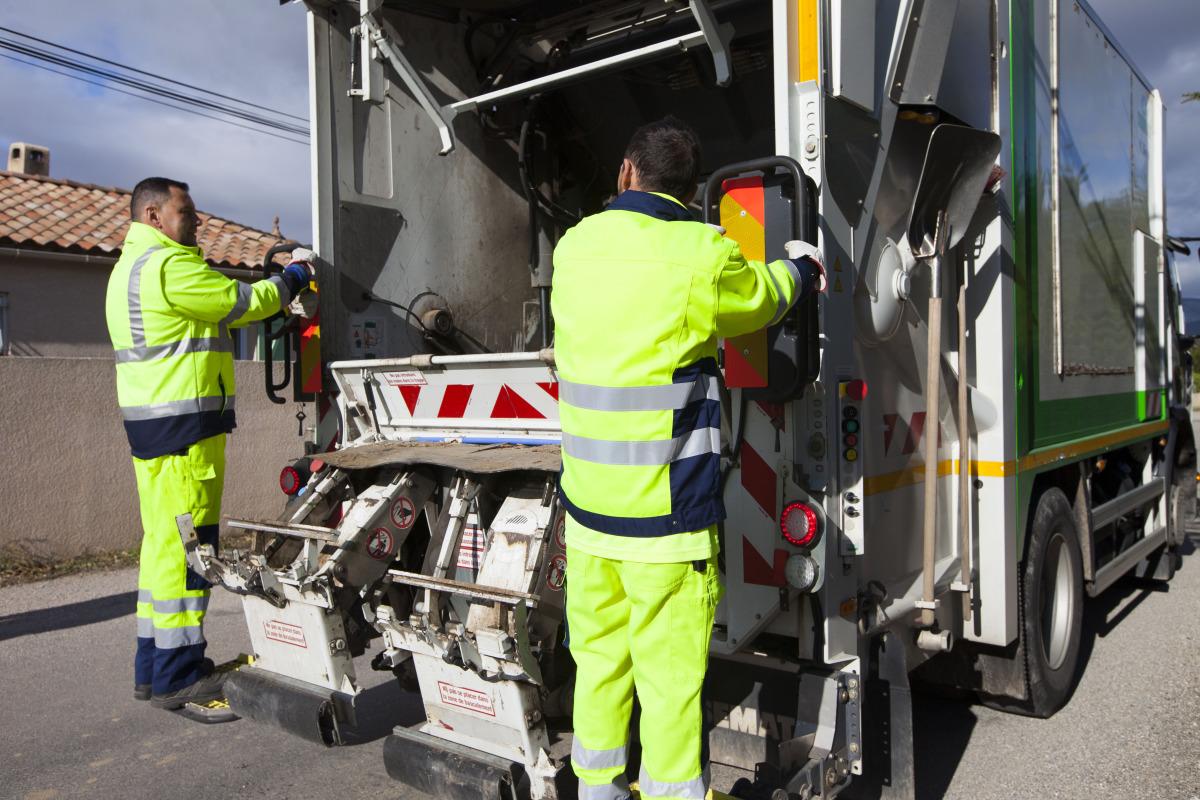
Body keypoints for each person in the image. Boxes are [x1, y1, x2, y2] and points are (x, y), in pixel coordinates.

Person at [551, 117, 825, 800]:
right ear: (695, 190)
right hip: (666, 532)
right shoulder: (703, 253)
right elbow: (759, 301)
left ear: (624, 173)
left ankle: (596, 790)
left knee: (599, 670)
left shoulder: (574, 247)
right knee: (670, 687)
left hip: (588, 521)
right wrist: (800, 267)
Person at [104, 177, 313, 710]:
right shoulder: (171, 267)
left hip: (155, 431)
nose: (196, 221)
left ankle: (153, 669)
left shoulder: (130, 267)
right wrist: (293, 277)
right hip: (185, 434)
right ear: (153, 215)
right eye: (187, 213)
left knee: (160, 551)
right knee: (191, 553)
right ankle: (180, 675)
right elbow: (241, 303)